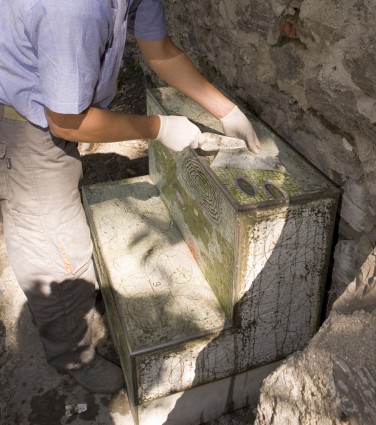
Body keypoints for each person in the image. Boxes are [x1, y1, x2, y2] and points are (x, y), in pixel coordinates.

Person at [0, 0, 260, 394]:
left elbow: (160, 49)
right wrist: (157, 127)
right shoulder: (73, 9)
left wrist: (227, 111)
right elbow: (66, 121)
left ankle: (78, 306)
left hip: (60, 109)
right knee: (56, 247)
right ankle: (74, 355)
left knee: (64, 230)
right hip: (27, 125)